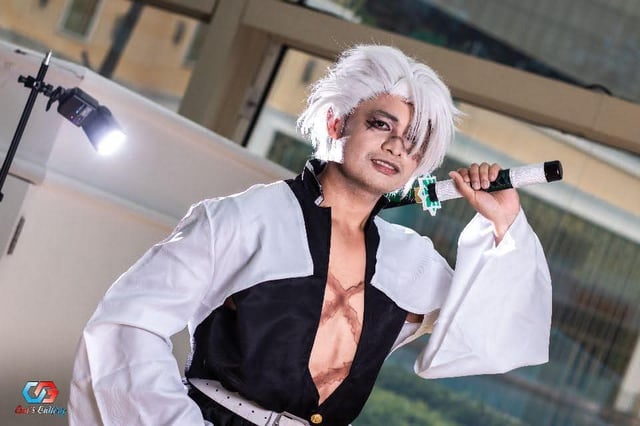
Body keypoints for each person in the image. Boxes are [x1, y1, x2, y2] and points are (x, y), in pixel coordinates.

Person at [69, 44, 552, 426]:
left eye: (413, 141)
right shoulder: (242, 219)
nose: (394, 147)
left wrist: (503, 224)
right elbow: (126, 324)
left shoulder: (412, 261)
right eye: (381, 124)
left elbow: (491, 337)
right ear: (336, 122)